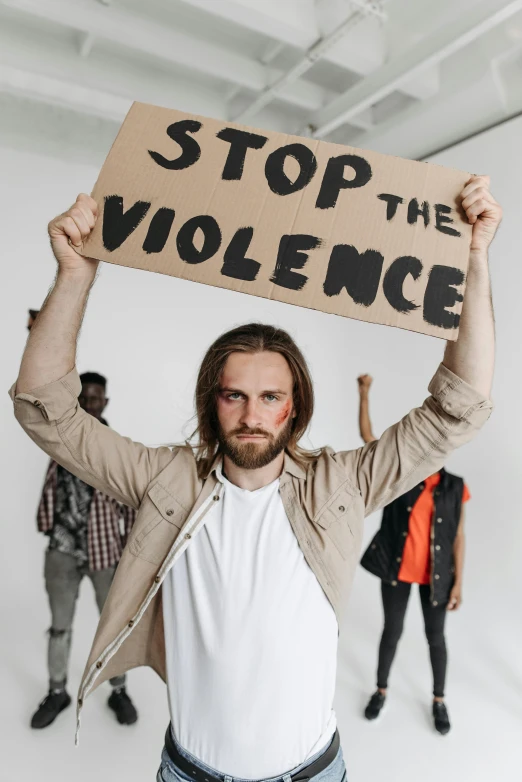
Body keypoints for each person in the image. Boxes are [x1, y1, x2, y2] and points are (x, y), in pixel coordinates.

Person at [10, 175, 499, 780]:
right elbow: (44, 409)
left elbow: (459, 407)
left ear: (293, 406)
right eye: (234, 395)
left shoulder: (341, 484)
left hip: (313, 772)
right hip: (187, 771)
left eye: (270, 396)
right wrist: (76, 275)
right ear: (212, 402)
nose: (250, 415)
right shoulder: (164, 480)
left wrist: (474, 259)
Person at [357, 374, 469, 735]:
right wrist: (364, 394)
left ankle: (439, 699)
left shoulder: (455, 487)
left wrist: (458, 584)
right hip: (396, 569)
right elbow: (368, 438)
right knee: (392, 631)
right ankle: (380, 690)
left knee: (436, 638)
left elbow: (459, 537)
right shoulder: (401, 475)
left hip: (436, 578)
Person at [30, 370, 139, 729]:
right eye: (84, 399)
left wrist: (130, 553)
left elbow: (131, 503)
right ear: (76, 401)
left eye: (96, 398)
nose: (90, 405)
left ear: (105, 402)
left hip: (105, 552)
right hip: (61, 548)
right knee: (60, 626)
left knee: (113, 628)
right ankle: (56, 691)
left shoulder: (117, 449)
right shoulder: (59, 439)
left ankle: (118, 690)